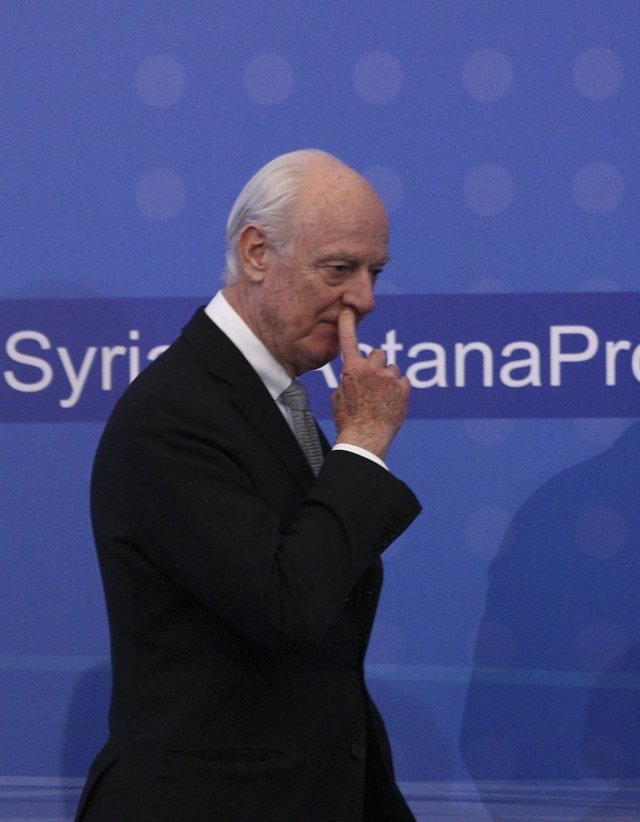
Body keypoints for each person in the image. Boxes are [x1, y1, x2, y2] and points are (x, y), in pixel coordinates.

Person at [75, 149, 422, 821]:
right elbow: (285, 604)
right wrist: (361, 445)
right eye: (339, 269)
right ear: (257, 252)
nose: (365, 299)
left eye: (374, 272)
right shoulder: (174, 413)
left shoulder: (271, 401)